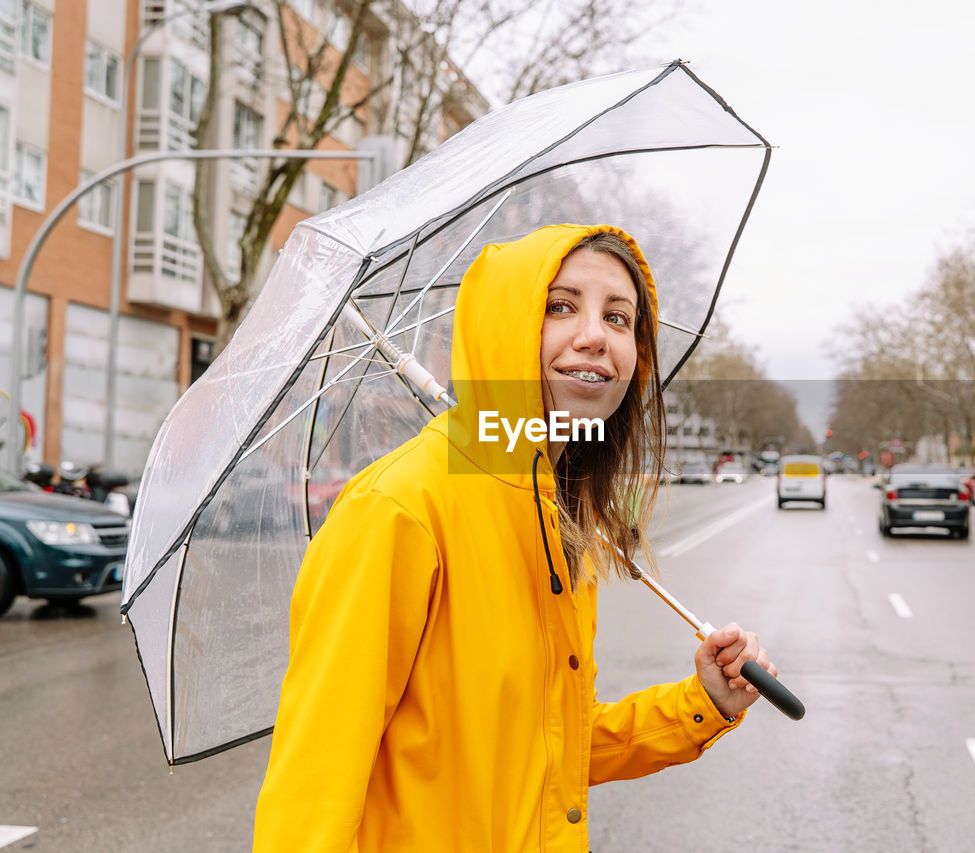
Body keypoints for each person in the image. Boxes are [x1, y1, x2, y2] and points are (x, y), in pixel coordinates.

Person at [253, 224, 777, 851]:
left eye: (619, 318)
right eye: (560, 306)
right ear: (504, 325)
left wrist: (704, 703)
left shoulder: (555, 515)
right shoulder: (399, 510)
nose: (594, 336)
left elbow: (547, 744)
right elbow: (315, 787)